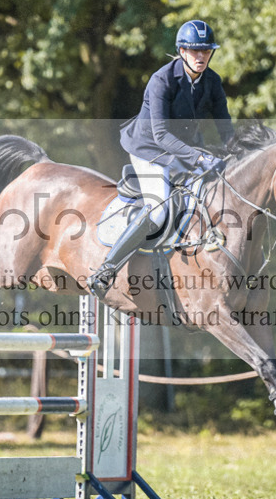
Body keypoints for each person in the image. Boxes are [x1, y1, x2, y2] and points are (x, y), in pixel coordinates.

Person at [89, 20, 234, 299]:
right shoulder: (162, 80)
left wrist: (234, 154)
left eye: (206, 51)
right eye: (195, 51)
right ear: (181, 51)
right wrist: (200, 157)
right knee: (158, 210)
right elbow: (161, 135)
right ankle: (106, 269)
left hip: (184, 149)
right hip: (149, 148)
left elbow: (226, 128)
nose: (201, 56)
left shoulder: (213, 82)